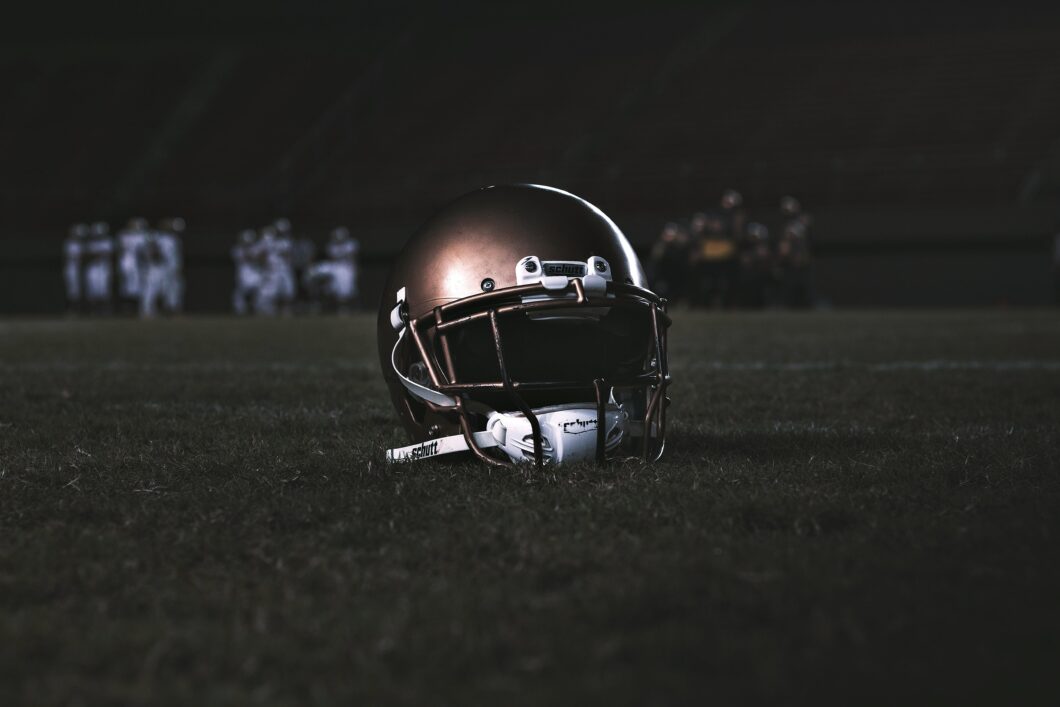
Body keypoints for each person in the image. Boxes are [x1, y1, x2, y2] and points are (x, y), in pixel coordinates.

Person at [648, 222, 690, 305]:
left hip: (676, 273)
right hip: (662, 273)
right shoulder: (661, 246)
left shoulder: (678, 247)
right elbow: (656, 259)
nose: (669, 237)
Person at [117, 217, 149, 313]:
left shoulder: (143, 236)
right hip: (127, 262)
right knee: (127, 286)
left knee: (139, 286)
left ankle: (138, 308)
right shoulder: (123, 236)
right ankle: (127, 308)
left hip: (139, 264)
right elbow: (120, 250)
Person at [736, 222, 772, 308]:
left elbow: (765, 259)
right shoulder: (745, 245)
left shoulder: (764, 246)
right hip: (748, 274)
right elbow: (745, 260)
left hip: (759, 273)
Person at [83, 221, 114, 314]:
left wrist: (99, 254)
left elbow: (110, 254)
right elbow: (85, 256)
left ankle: (105, 310)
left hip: (104, 267)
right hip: (92, 268)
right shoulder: (89, 243)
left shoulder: (108, 242)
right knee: (92, 289)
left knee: (104, 289)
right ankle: (93, 311)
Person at [231, 229, 261, 315]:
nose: (248, 243)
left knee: (257, 291)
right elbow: (247, 257)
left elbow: (260, 258)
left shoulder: (255, 249)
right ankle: (239, 310)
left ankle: (255, 309)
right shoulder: (237, 249)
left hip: (255, 273)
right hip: (242, 273)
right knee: (241, 293)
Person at [63, 223, 88, 314]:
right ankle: (72, 309)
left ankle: (82, 309)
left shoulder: (83, 245)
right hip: (72, 269)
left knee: (83, 290)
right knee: (72, 290)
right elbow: (69, 257)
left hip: (81, 269)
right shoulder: (69, 244)